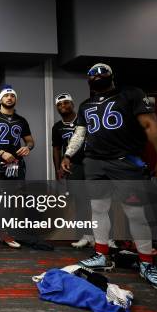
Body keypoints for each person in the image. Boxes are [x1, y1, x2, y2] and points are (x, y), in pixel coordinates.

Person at [61, 63, 157, 293]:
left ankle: (146, 263)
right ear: (88, 81)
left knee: (135, 212)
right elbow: (80, 133)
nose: (97, 75)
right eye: (92, 73)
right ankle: (102, 255)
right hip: (94, 162)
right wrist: (68, 154)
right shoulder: (85, 104)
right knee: (98, 209)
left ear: (112, 76)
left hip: (124, 161)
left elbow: (151, 125)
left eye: (102, 72)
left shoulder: (131, 94)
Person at [0, 85, 35, 249]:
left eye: (12, 95)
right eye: (6, 95)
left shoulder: (22, 120)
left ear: (15, 99)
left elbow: (30, 141)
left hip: (15, 166)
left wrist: (28, 147)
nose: (9, 98)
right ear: (1, 99)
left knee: (10, 202)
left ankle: (4, 232)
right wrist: (2, 152)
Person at [51, 92, 96, 249]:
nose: (63, 106)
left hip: (92, 163)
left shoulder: (85, 120)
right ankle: (86, 235)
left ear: (72, 104)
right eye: (60, 104)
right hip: (73, 166)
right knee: (80, 202)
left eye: (66, 103)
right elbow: (56, 149)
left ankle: (106, 238)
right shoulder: (57, 127)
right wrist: (57, 169)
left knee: (100, 200)